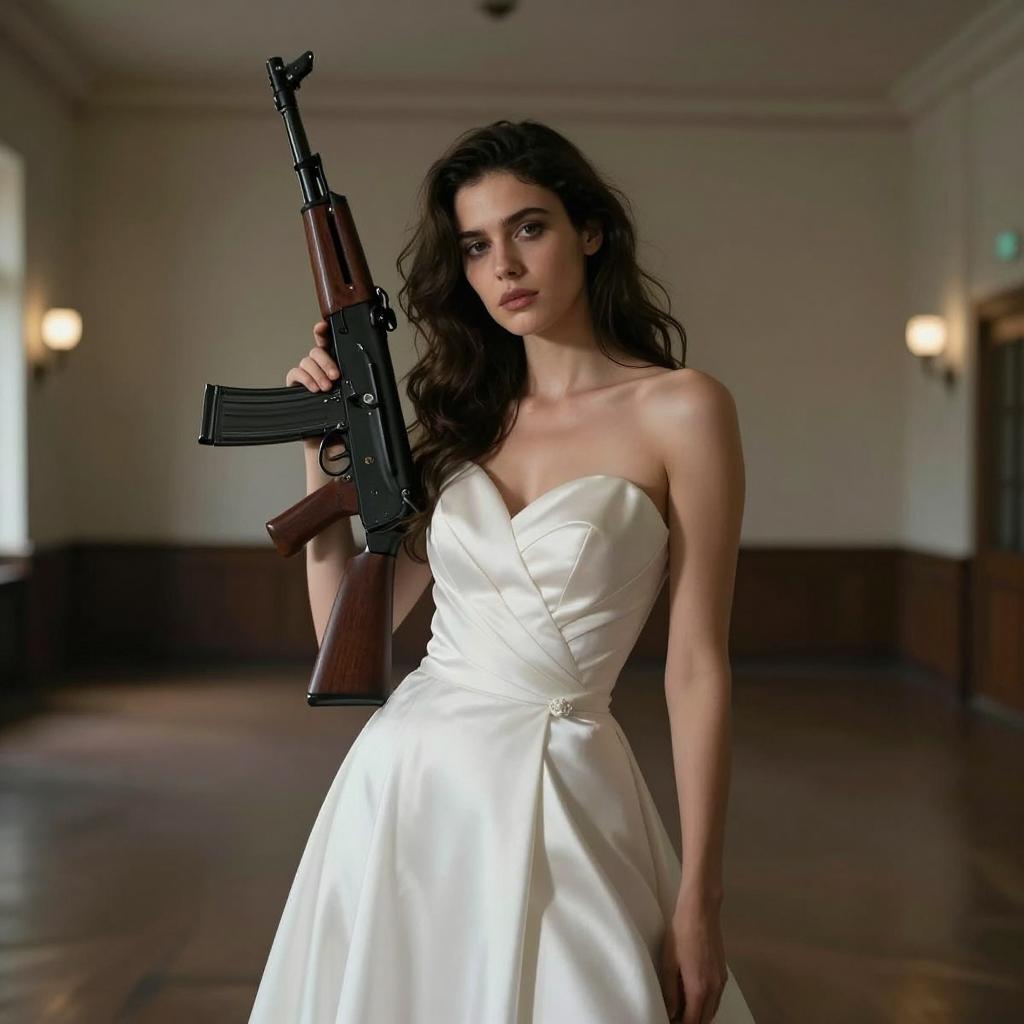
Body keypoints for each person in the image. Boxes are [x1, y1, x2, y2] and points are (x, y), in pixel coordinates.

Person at [249, 119, 755, 1024]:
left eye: (530, 228)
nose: (505, 268)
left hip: (565, 780)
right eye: (477, 247)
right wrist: (321, 463)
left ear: (590, 230)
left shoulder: (682, 409)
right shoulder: (458, 429)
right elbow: (345, 636)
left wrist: (701, 901)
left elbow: (696, 667)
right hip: (404, 786)